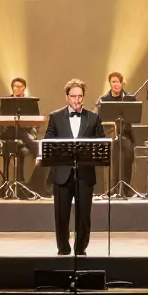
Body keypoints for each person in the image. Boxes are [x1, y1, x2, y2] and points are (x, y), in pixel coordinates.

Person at [42, 79, 106, 255]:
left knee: (84, 214)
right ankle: (63, 248)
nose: (77, 99)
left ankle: (80, 249)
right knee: (61, 214)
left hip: (85, 173)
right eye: (73, 96)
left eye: (80, 96)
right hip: (62, 173)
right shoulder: (55, 117)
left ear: (83, 97)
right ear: (67, 97)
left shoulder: (93, 117)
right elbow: (48, 140)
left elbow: (101, 141)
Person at [0, 76, 43, 194]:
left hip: (24, 131)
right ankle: (38, 154)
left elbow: (35, 119)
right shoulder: (5, 102)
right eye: (15, 87)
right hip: (8, 131)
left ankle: (38, 161)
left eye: (20, 87)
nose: (17, 89)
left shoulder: (29, 103)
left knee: (26, 136)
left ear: (24, 88)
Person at [98, 71, 137, 196]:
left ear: (122, 83)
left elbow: (134, 117)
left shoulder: (129, 98)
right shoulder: (104, 100)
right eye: (114, 82)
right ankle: (114, 188)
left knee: (128, 153)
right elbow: (101, 119)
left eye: (118, 82)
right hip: (110, 136)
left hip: (126, 135)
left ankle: (126, 188)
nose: (116, 84)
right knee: (114, 153)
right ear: (110, 83)